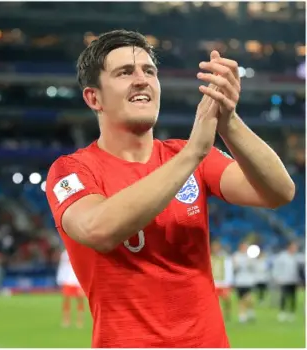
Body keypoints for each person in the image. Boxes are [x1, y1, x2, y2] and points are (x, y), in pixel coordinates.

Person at [44, 29, 295, 347]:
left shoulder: (187, 156)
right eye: (125, 72)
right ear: (94, 97)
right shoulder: (72, 170)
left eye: (149, 71)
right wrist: (193, 153)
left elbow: (279, 192)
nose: (142, 79)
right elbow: (98, 229)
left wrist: (227, 119)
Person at [56, 249, 85, 328]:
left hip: (77, 281)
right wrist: (60, 279)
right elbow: (62, 267)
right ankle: (66, 320)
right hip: (67, 280)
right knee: (66, 301)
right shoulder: (65, 254)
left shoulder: (81, 253)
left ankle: (80, 321)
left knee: (80, 301)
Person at [272, 242, 301, 322]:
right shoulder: (282, 256)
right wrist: (277, 277)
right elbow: (277, 267)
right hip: (284, 280)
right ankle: (282, 312)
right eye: (293, 247)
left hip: (293, 280)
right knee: (284, 296)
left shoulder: (296, 257)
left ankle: (292, 313)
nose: (295, 249)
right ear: (289, 247)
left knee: (293, 297)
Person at [232, 242, 257, 322]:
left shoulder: (250, 256)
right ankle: (242, 315)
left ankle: (250, 311)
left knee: (249, 299)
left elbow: (254, 267)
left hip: (248, 281)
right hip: (239, 281)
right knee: (241, 299)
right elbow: (234, 267)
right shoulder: (236, 255)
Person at [210, 240, 233, 320]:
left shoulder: (225, 258)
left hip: (224, 283)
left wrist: (229, 282)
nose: (215, 248)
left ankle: (227, 313)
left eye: (217, 247)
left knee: (227, 300)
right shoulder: (209, 257)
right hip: (214, 283)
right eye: (214, 247)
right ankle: (220, 317)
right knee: (216, 302)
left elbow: (229, 269)